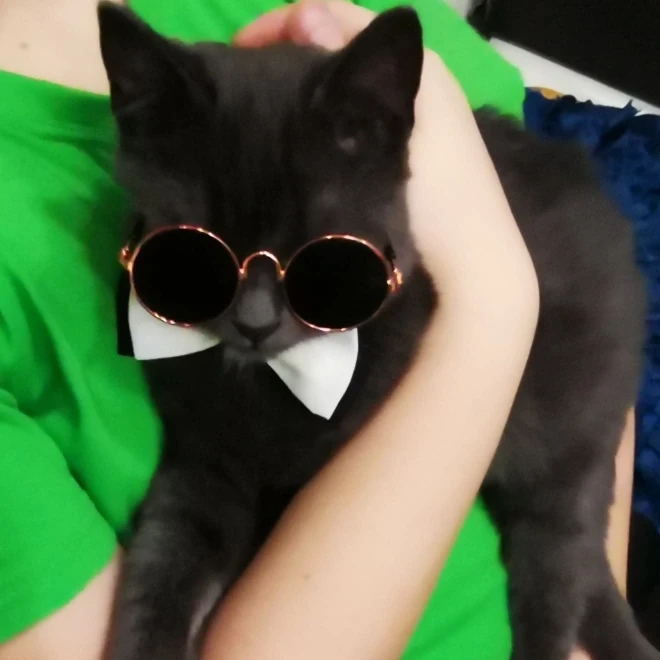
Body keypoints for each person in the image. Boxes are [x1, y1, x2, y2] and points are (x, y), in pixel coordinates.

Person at [0, 1, 633, 659]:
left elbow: (591, 274)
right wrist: (492, 302)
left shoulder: (332, 20)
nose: (254, 320)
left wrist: (579, 592)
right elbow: (202, 489)